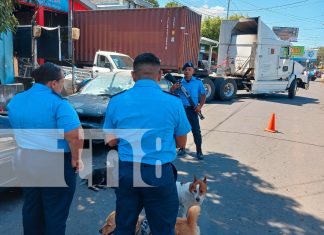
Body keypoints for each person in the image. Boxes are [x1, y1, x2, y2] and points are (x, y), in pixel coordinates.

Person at [103, 53, 191, 235]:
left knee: (124, 226)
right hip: (159, 173)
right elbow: (181, 142)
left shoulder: (117, 101)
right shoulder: (173, 103)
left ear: (133, 75)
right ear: (159, 76)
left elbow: (110, 141)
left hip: (127, 173)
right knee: (163, 229)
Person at [7, 62, 84, 235]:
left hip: (25, 160)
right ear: (53, 83)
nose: (63, 86)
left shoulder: (17, 99)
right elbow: (74, 136)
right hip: (54, 163)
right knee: (55, 212)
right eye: (62, 82)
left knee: (31, 208)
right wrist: (76, 158)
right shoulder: (58, 104)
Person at [170, 61, 207, 160]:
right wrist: (172, 88)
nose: (187, 71)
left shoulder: (198, 82)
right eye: (185, 70)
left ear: (193, 71)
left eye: (189, 70)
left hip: (193, 110)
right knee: (181, 130)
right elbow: (171, 95)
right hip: (181, 110)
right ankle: (182, 148)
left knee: (196, 131)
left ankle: (199, 151)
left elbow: (203, 95)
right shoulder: (179, 83)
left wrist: (200, 106)